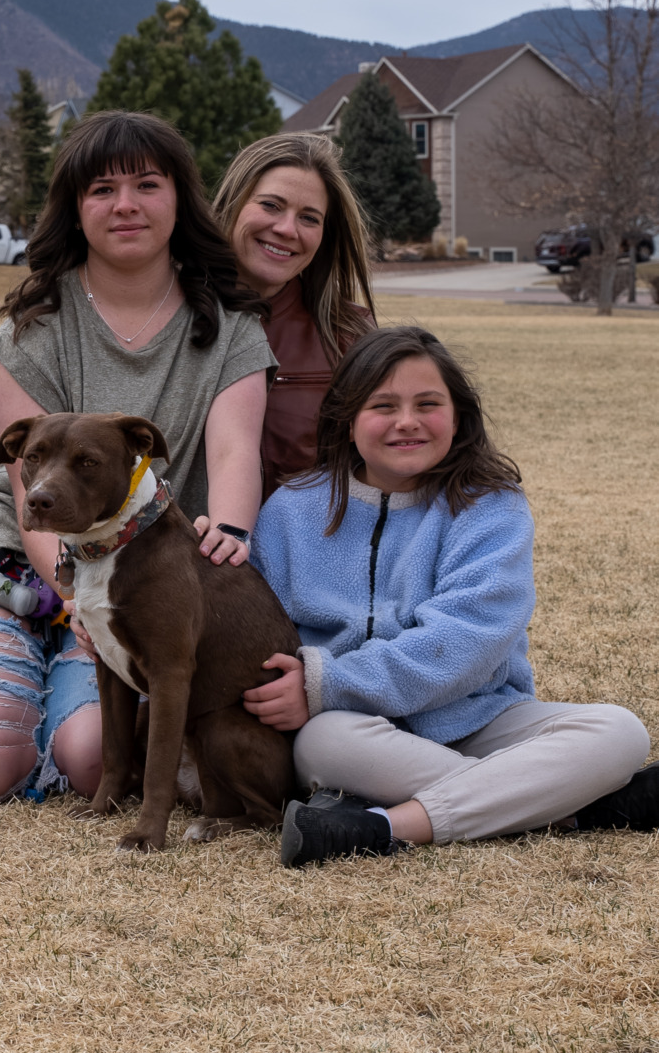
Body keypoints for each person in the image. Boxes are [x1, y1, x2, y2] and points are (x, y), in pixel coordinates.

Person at [0, 110, 276, 804]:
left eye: (147, 184)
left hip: (140, 570)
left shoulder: (230, 326)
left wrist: (228, 533)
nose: (126, 205)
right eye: (102, 189)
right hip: (16, 556)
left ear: (181, 199)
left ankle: (52, 723)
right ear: (75, 209)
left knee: (87, 760)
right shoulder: (31, 327)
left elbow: (233, 450)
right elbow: (27, 493)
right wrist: (77, 599)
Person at [243, 324, 655, 867]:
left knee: (619, 732)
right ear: (346, 421)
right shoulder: (289, 511)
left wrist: (331, 680)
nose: (407, 421)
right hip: (356, 730)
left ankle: (385, 824)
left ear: (457, 418)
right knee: (323, 743)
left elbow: (468, 637)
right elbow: (247, 622)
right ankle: (568, 808)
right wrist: (318, 690)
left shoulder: (490, 506)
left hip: (477, 719)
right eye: (383, 405)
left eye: (428, 403)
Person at [212, 133, 376, 499]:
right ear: (232, 204)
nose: (287, 229)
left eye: (309, 218)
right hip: (181, 552)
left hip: (307, 551)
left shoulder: (350, 337)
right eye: (270, 205)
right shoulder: (165, 318)